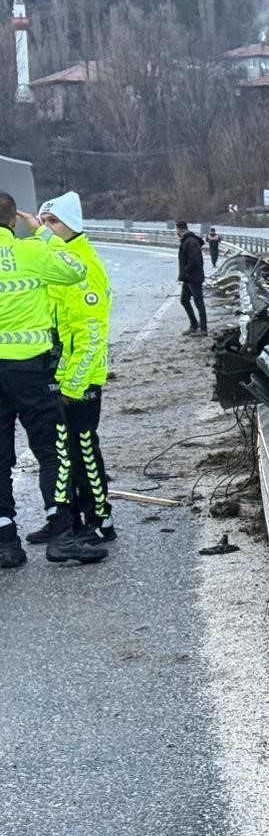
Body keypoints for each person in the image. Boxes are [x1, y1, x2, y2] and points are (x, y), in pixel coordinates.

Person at [0, 191, 107, 567]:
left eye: (53, 222)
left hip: (39, 376)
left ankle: (10, 542)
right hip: (35, 372)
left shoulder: (55, 256)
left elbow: (89, 322)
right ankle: (63, 529)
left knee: (8, 457)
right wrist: (40, 235)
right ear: (13, 220)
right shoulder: (33, 253)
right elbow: (69, 274)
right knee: (56, 451)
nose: (46, 228)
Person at [23, 192, 114, 545]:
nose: (46, 228)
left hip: (82, 380)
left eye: (52, 222)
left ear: (71, 224)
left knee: (84, 451)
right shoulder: (62, 258)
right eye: (43, 221)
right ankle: (70, 519)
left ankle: (100, 520)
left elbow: (92, 335)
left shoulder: (83, 265)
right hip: (61, 377)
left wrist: (74, 387)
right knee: (64, 454)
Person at [176, 221, 207, 335]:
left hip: (193, 277)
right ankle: (194, 325)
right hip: (188, 278)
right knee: (184, 300)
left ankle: (203, 329)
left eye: (177, 230)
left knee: (199, 303)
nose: (177, 233)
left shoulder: (190, 242)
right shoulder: (187, 240)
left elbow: (195, 259)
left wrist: (186, 270)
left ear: (180, 229)